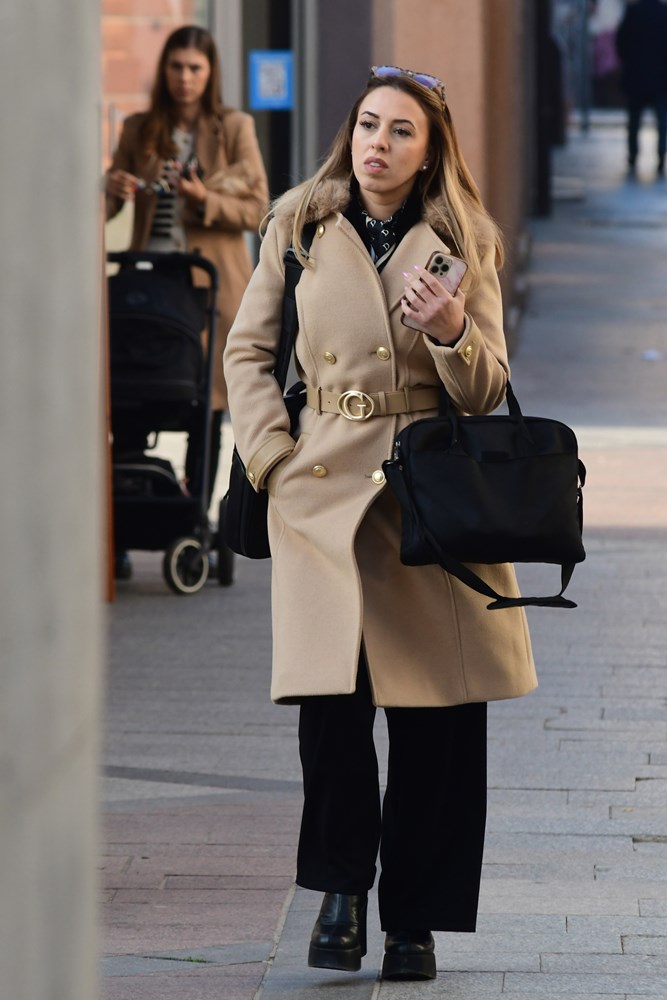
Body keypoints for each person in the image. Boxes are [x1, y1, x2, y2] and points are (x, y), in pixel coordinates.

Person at [223, 65, 537, 982]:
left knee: (437, 724)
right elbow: (247, 351)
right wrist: (271, 458)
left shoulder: (463, 239)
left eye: (401, 130)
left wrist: (450, 330)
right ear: (349, 133)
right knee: (330, 715)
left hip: (426, 500)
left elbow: (485, 390)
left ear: (429, 149)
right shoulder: (298, 222)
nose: (378, 144)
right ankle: (339, 894)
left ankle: (414, 921)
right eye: (368, 124)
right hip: (320, 494)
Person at [106, 24, 269, 577]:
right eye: (176, 67)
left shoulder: (233, 128)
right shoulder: (139, 128)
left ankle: (193, 522)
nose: (184, 78)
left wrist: (204, 199)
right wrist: (113, 189)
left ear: (210, 72)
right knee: (134, 395)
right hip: (149, 283)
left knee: (207, 403)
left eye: (195, 68)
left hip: (208, 288)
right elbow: (110, 205)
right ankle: (126, 522)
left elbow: (258, 209)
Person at [615, 0, 667, 177]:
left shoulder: (633, 13)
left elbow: (621, 42)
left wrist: (629, 62)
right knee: (662, 121)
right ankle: (661, 155)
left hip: (636, 76)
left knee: (634, 121)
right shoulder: (663, 13)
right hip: (660, 78)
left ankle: (633, 156)